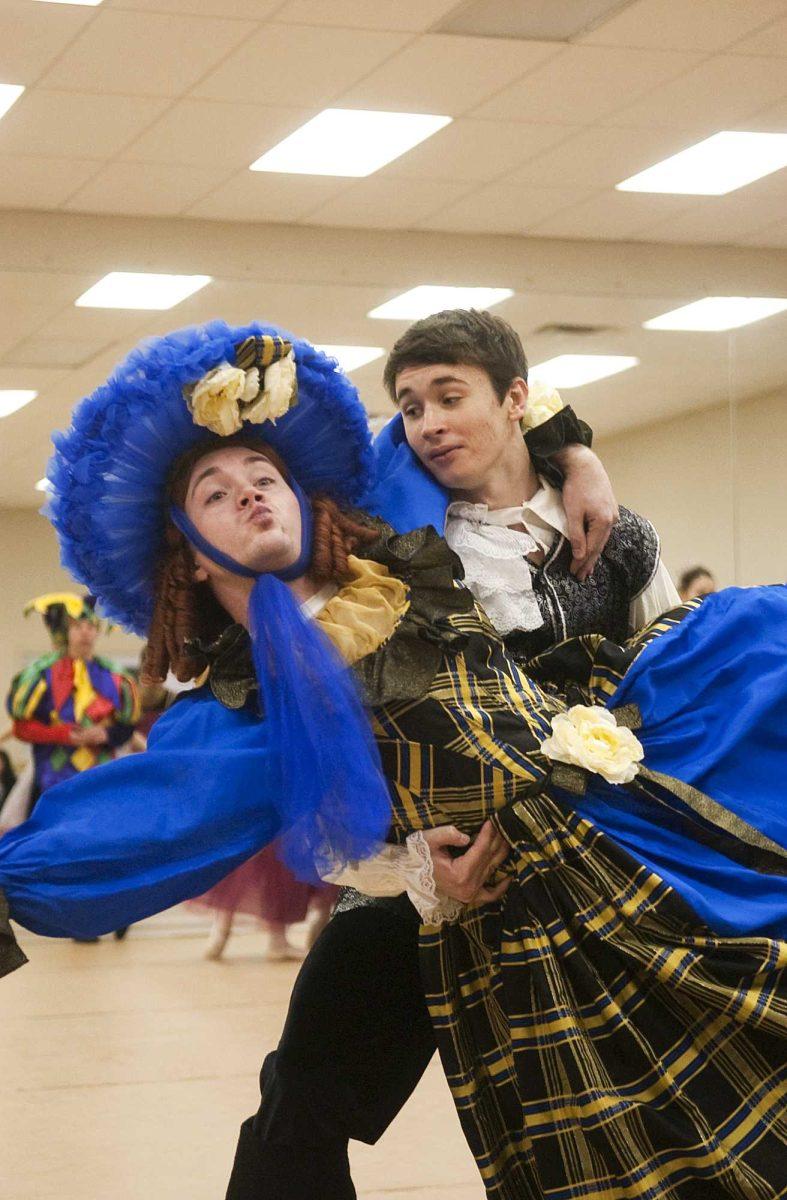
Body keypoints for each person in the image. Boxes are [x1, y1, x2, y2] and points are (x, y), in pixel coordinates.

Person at [0, 321, 784, 1200]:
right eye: (217, 494)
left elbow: (453, 422)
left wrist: (572, 453)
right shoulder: (243, 703)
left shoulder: (395, 554)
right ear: (186, 547)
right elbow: (148, 814)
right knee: (322, 1115)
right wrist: (418, 878)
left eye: (265, 477)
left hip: (617, 842)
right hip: (465, 906)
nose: (252, 494)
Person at [230, 309, 680, 1199]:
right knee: (298, 1111)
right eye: (408, 405)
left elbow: (669, 692)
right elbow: (335, 751)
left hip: (590, 885)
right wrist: (406, 868)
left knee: (606, 1134)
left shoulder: (618, 537)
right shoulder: (382, 557)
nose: (428, 421)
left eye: (449, 395)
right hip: (414, 885)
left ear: (518, 401)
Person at [6, 593, 139, 801]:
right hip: (52, 782)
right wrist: (62, 734)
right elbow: (20, 728)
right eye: (78, 626)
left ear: (97, 631)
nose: (85, 632)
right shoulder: (42, 676)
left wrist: (105, 734)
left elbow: (126, 727)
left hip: (100, 784)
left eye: (91, 626)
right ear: (66, 631)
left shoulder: (116, 678)